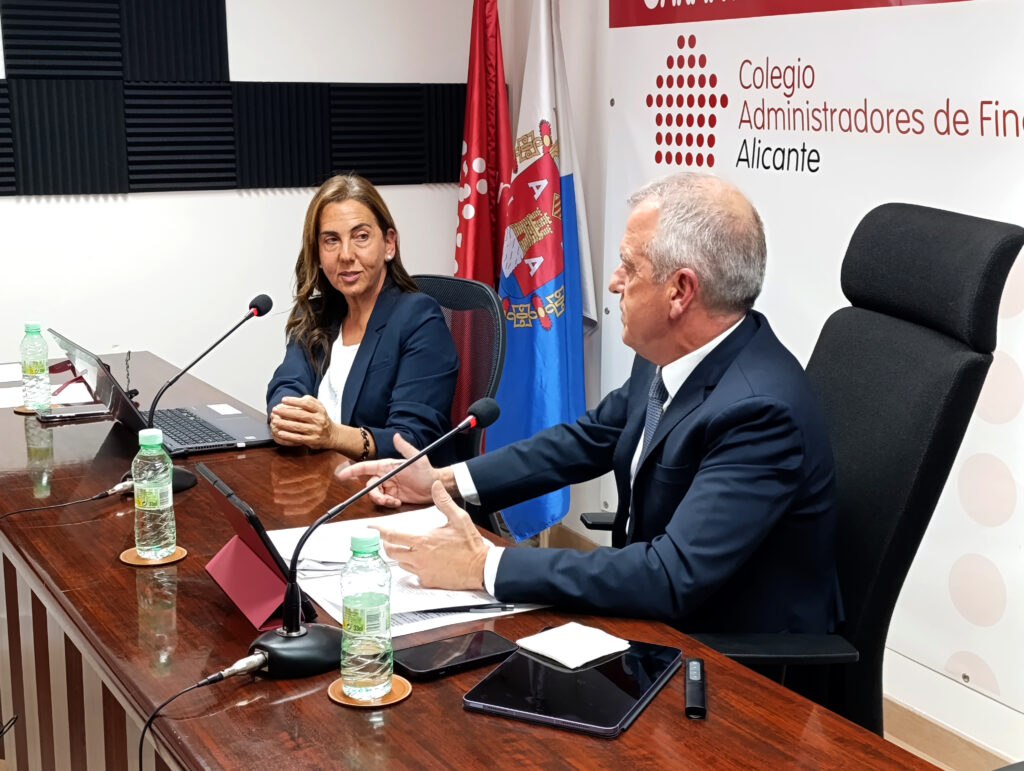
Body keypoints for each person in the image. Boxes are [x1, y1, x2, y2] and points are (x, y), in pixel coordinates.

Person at [337, 171, 842, 634]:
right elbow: (584, 441)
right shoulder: (667, 355)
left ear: (680, 291)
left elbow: (671, 575)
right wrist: (443, 479)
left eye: (629, 266)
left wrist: (484, 565)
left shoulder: (758, 412)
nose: (615, 281)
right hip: (653, 614)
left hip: (729, 656)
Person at [267, 173, 458, 464]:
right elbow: (287, 384)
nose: (346, 255)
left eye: (361, 236)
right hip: (322, 475)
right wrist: (287, 417)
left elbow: (412, 439)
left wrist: (332, 435)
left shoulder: (419, 319)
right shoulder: (314, 315)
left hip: (391, 485)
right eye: (331, 240)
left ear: (389, 244)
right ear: (317, 253)